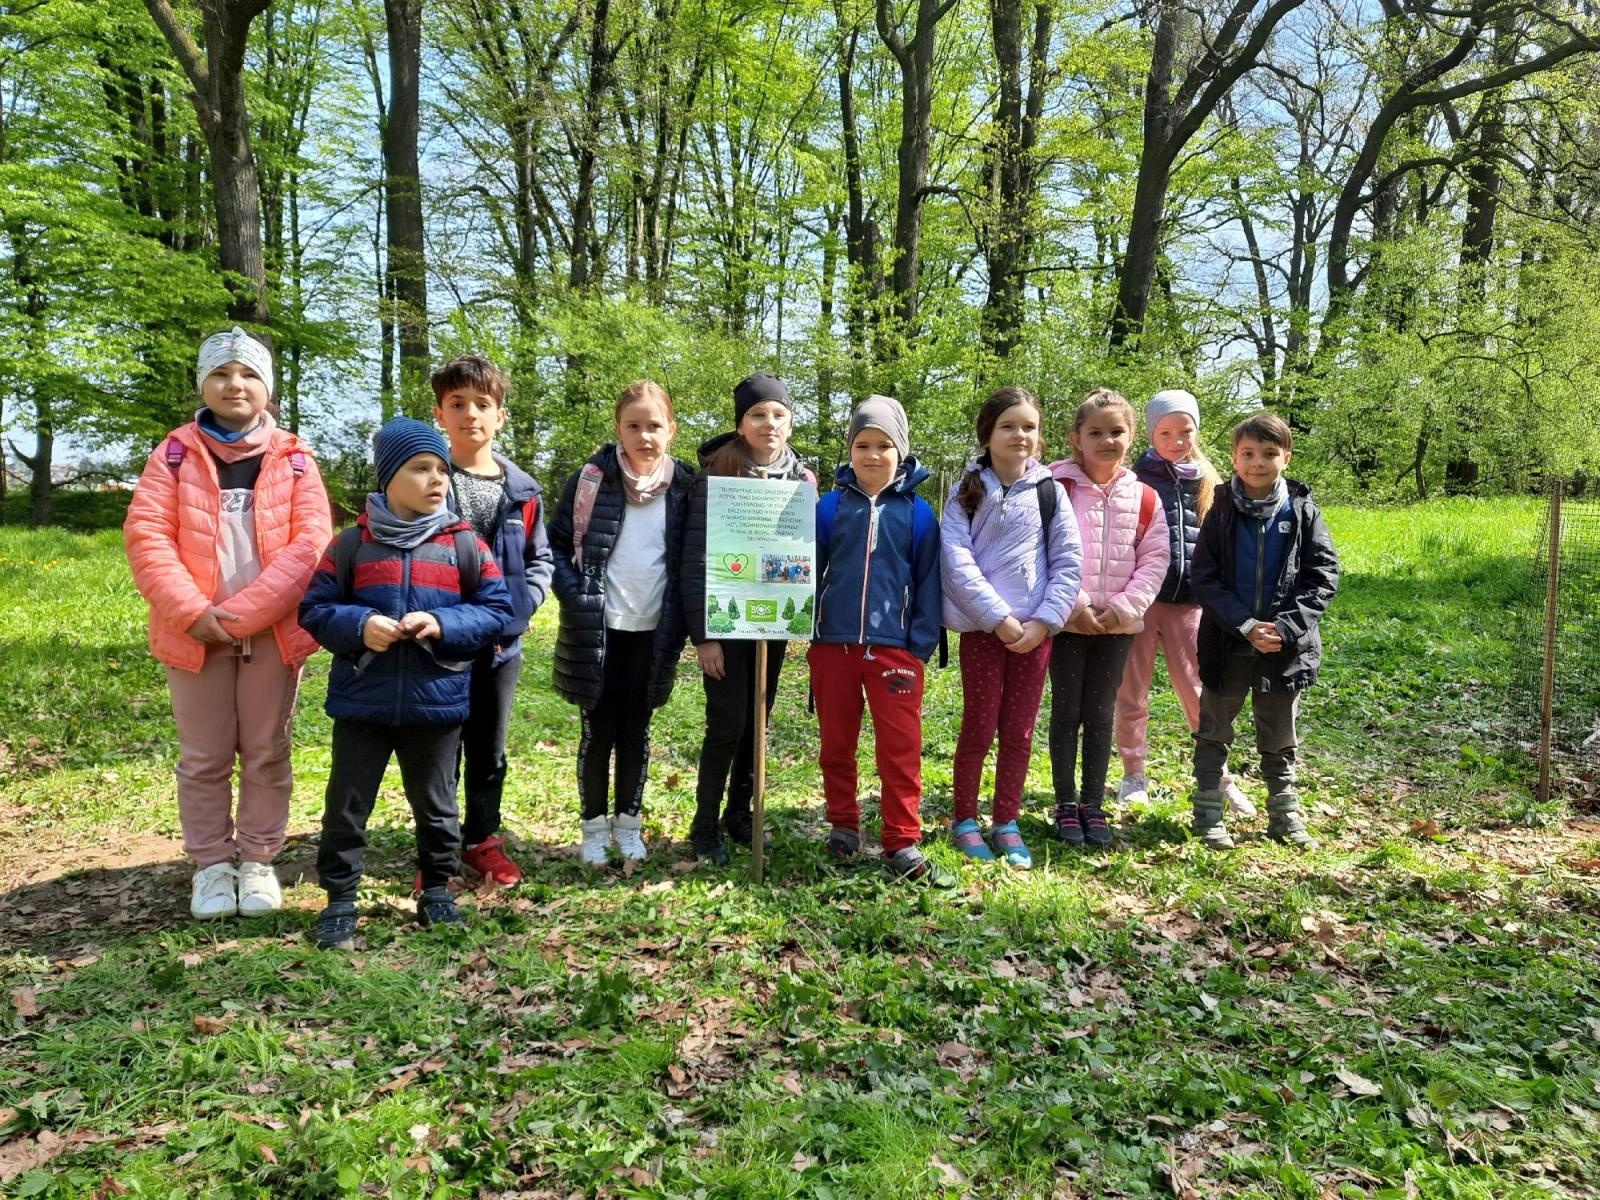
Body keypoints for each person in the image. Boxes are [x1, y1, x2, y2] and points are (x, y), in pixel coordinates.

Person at [125, 327, 332, 920]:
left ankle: (259, 859)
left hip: (270, 634)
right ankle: (213, 865)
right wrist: (193, 612)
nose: (233, 384)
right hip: (192, 634)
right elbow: (147, 536)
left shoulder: (294, 457)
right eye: (220, 373)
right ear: (203, 385)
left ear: (266, 386)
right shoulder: (172, 453)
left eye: (247, 374)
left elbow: (310, 544)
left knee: (266, 748)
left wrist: (243, 615)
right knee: (204, 755)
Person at [298, 418, 514, 949]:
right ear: (389, 477)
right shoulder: (350, 545)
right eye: (420, 468)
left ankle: (437, 890)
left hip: (436, 702)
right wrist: (358, 626)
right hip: (362, 703)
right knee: (347, 805)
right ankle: (340, 902)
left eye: (441, 469)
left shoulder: (465, 546)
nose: (436, 479)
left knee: (437, 805)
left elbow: (496, 610)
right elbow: (315, 608)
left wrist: (444, 624)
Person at [548, 380, 695, 866]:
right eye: (634, 426)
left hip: (653, 631)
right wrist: (575, 595)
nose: (645, 436)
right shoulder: (591, 479)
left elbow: (694, 558)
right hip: (599, 629)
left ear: (671, 429)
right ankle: (593, 830)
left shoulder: (687, 487)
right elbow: (556, 544)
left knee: (637, 729)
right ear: (618, 429)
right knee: (597, 732)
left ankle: (629, 825)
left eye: (655, 425)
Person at [809, 395, 950, 885]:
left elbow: (931, 578)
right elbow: (809, 574)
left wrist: (920, 643)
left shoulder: (917, 514)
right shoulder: (828, 508)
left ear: (901, 451)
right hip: (833, 646)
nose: (872, 455)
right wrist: (810, 631)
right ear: (849, 450)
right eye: (862, 444)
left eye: (883, 445)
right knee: (836, 743)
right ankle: (844, 824)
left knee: (900, 747)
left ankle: (901, 839)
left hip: (896, 649)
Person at [941, 387, 1082, 869]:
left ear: (1040, 437)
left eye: (1029, 427)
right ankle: (964, 819)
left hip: (1035, 636)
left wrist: (1044, 621)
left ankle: (1006, 821)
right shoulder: (966, 492)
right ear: (987, 434)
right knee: (979, 726)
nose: (1019, 435)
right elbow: (956, 561)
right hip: (984, 633)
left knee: (1019, 731)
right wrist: (997, 619)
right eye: (1008, 426)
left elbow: (1067, 561)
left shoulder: (1051, 492)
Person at [1189, 410, 1340, 851]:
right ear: (1234, 457)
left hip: (1285, 648)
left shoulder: (1302, 511)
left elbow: (1323, 574)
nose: (1258, 463)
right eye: (1248, 453)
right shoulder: (1219, 511)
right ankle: (1208, 812)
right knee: (1214, 725)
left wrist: (1286, 627)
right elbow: (1206, 577)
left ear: (1286, 458)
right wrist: (1246, 624)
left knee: (1279, 730)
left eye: (1269, 454)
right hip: (1227, 642)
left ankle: (1284, 813)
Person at [680, 372, 815, 865]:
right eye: (758, 414)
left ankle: (741, 813)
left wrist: (800, 610)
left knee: (757, 721)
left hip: (773, 620)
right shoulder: (716, 475)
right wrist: (703, 637)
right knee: (726, 723)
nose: (769, 423)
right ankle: (705, 822)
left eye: (778, 414)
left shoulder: (802, 480)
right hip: (725, 620)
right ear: (741, 424)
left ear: (790, 423)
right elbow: (694, 558)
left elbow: (805, 552)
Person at [431, 354, 554, 886]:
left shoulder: (522, 490)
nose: (470, 415)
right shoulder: (424, 477)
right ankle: (435, 852)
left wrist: (520, 608)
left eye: (483, 404)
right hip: (435, 641)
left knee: (488, 746)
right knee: (439, 749)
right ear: (440, 413)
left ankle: (482, 839)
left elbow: (540, 559)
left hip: (500, 644)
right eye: (457, 404)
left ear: (501, 415)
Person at [1112, 389, 1255, 816]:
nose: (1176, 440)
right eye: (1166, 432)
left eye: (1185, 431)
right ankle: (1133, 773)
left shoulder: (1210, 480)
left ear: (1196, 431)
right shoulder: (1134, 478)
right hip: (1140, 600)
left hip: (1191, 602)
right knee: (1131, 691)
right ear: (1151, 432)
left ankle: (1218, 774)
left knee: (1198, 690)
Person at [1047, 389, 1170, 848]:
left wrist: (1122, 607)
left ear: (1131, 435)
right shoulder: (1053, 488)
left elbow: (1155, 559)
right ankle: (1064, 803)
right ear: (1075, 438)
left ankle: (1092, 804)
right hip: (1065, 621)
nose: (1106, 440)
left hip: (1118, 626)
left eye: (1116, 432)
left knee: (1100, 714)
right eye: (1095, 432)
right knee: (1066, 712)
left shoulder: (1145, 498)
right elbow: (1043, 551)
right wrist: (1075, 603)